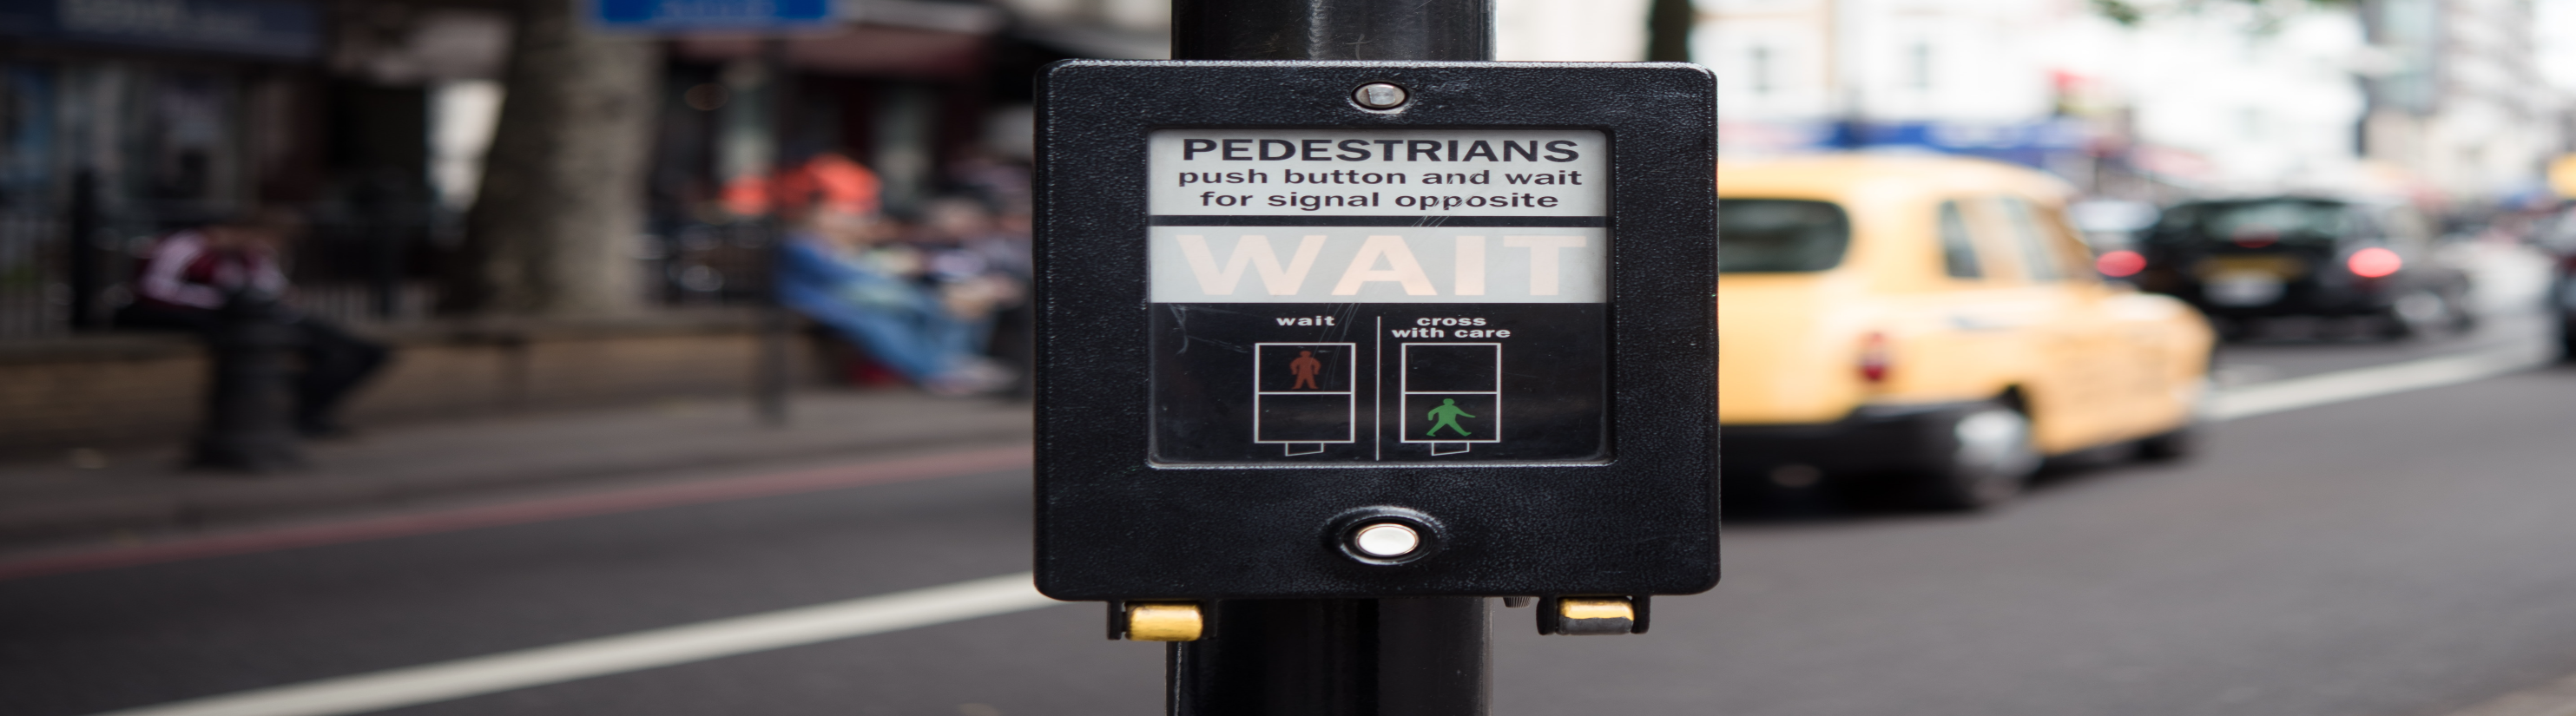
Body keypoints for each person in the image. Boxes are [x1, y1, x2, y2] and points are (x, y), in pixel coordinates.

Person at [115, 211, 391, 437]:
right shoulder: (184, 246)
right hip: (213, 319)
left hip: (265, 317)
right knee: (323, 355)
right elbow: (154, 290)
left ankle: (298, 411)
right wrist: (225, 301)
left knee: (364, 353)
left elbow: (270, 289)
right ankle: (293, 414)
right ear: (243, 230)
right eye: (268, 239)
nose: (271, 247)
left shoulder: (251, 256)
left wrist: (278, 296)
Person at [772, 164, 1012, 397]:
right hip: (825, 303)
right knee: (904, 315)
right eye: (836, 213)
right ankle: (940, 371)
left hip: (863, 300)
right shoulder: (800, 242)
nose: (845, 219)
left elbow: (868, 270)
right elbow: (842, 274)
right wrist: (892, 267)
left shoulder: (838, 241)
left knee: (906, 316)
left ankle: (948, 366)